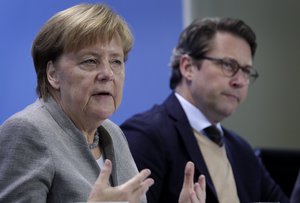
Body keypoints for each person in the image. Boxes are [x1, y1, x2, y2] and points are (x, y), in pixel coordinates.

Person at [0, 3, 205, 203]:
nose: (107, 74)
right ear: (53, 74)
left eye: (116, 61)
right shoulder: (26, 131)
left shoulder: (112, 133)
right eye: (90, 61)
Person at [121, 17, 289, 203]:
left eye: (246, 71)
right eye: (228, 65)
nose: (239, 81)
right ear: (188, 67)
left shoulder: (242, 151)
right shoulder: (145, 135)